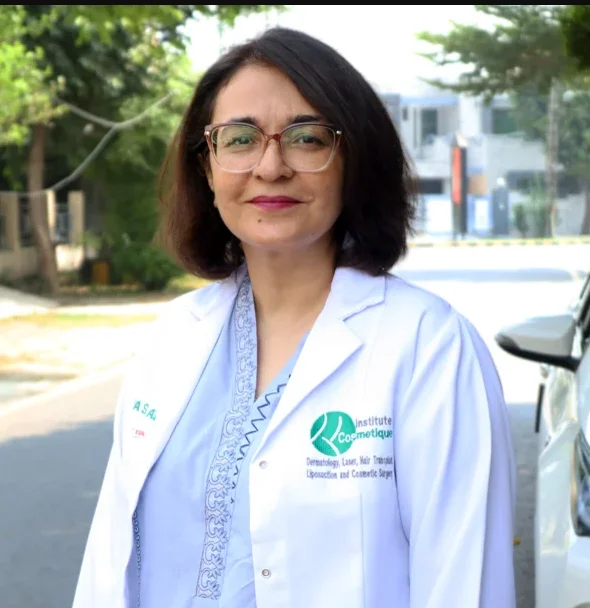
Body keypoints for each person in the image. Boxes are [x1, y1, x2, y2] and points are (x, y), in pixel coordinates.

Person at [73, 26, 516, 608]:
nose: (270, 166)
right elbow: (108, 569)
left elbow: (466, 584)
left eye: (307, 138)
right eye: (239, 139)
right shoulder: (172, 339)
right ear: (207, 168)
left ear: (352, 163)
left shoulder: (429, 347)